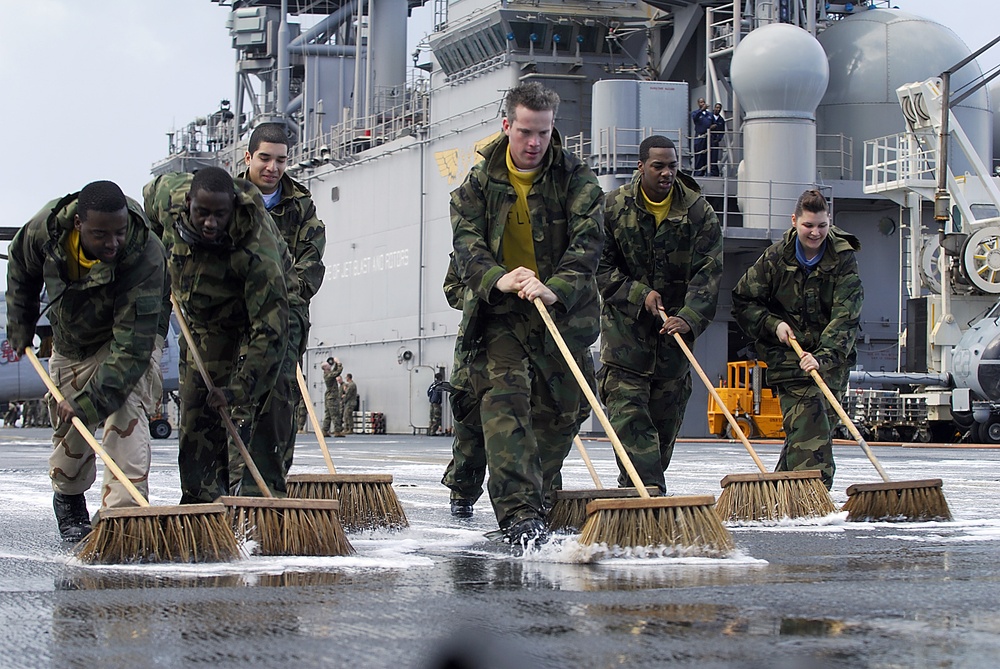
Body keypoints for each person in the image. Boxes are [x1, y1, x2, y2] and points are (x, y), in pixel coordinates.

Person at [450, 81, 604, 544]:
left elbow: (588, 243)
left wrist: (554, 287)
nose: (534, 143)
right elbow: (467, 245)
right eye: (524, 132)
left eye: (543, 132)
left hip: (561, 312)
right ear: (506, 127)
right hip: (500, 312)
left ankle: (538, 491)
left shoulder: (578, 179)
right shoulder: (475, 186)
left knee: (565, 411)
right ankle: (519, 513)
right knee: (505, 404)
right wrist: (499, 278)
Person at [6, 180, 169, 541]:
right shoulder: (44, 231)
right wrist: (21, 324)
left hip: (128, 336)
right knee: (70, 425)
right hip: (71, 340)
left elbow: (131, 348)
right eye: (101, 235)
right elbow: (20, 267)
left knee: (124, 405)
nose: (112, 243)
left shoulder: (144, 252)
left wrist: (92, 401)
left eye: (119, 233)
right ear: (78, 225)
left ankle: (124, 518)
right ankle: (68, 498)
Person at [143, 167, 290, 502]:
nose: (210, 222)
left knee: (271, 392)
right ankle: (201, 502)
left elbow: (271, 328)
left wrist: (238, 389)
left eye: (219, 215)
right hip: (206, 317)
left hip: (267, 307)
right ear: (188, 202)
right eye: (202, 213)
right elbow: (147, 214)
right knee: (198, 404)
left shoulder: (257, 248)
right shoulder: (166, 194)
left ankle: (259, 494)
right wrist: (155, 257)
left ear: (233, 208)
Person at [597, 135, 722, 493]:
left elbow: (710, 271)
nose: (667, 173)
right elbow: (599, 266)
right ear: (641, 167)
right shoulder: (613, 208)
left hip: (673, 349)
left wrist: (690, 317)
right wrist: (639, 294)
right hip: (625, 346)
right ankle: (649, 494)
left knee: (662, 438)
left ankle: (634, 494)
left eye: (672, 165)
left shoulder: (699, 212)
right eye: (658, 166)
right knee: (634, 430)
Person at [731, 189, 863, 489]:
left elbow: (846, 315)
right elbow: (743, 300)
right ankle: (813, 496)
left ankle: (777, 495)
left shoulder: (843, 259)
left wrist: (824, 356)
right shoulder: (775, 259)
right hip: (788, 359)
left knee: (815, 428)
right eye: (808, 226)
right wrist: (772, 324)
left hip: (831, 361)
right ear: (794, 222)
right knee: (811, 424)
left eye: (821, 225)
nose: (815, 232)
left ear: (829, 222)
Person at [236, 122, 326, 476]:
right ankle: (218, 497)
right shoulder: (224, 198)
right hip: (232, 320)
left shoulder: (299, 206)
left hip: (283, 319)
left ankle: (270, 490)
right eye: (264, 158)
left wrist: (282, 298)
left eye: (280, 160)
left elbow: (311, 262)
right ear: (248, 157)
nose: (272, 168)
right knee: (232, 403)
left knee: (277, 408)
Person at [690, 97, 713, 176]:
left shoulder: (709, 115)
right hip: (699, 136)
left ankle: (708, 172)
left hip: (708, 137)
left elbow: (713, 122)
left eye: (703, 102)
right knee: (699, 155)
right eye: (701, 102)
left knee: (708, 155)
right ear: (698, 104)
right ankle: (698, 173)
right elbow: (694, 118)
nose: (702, 104)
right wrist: (701, 110)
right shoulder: (695, 113)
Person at [321, 357, 343, 436]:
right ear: (325, 368)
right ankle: (337, 431)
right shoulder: (328, 375)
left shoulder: (328, 374)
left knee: (328, 415)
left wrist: (336, 363)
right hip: (332, 397)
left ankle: (324, 430)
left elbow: (334, 371)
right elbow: (337, 372)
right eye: (328, 365)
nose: (330, 366)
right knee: (335, 414)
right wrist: (339, 363)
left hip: (329, 397)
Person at [708, 103, 726, 177]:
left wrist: (718, 139)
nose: (718, 109)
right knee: (706, 155)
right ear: (714, 108)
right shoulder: (709, 117)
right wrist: (710, 127)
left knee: (714, 157)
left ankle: (714, 173)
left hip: (715, 140)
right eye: (717, 107)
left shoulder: (721, 120)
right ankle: (706, 171)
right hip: (708, 138)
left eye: (719, 108)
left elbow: (722, 131)